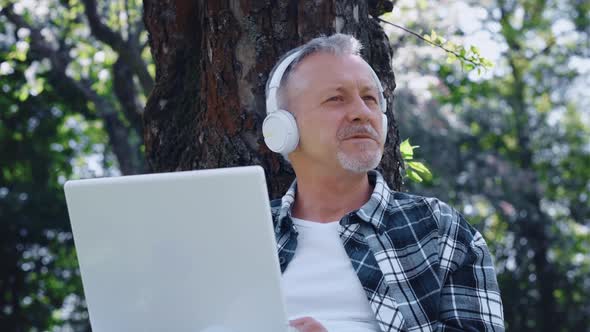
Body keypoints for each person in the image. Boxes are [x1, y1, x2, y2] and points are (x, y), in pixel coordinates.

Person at [262, 34, 505, 332]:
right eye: (335, 99)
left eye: (369, 99)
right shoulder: (245, 234)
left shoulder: (439, 229)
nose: (362, 113)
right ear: (283, 128)